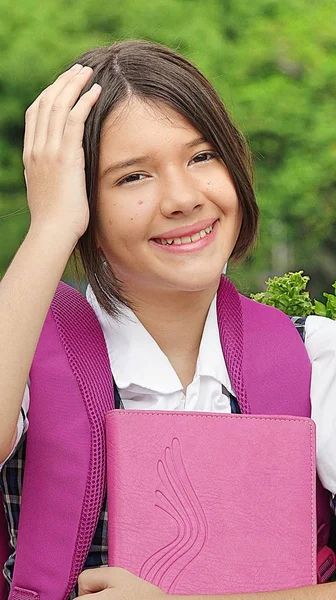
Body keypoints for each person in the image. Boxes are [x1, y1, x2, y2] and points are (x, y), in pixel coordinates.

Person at [0, 39, 336, 600]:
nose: (182, 198)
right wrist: (51, 227)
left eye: (202, 156)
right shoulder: (28, 355)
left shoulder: (315, 358)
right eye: (133, 176)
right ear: (82, 198)